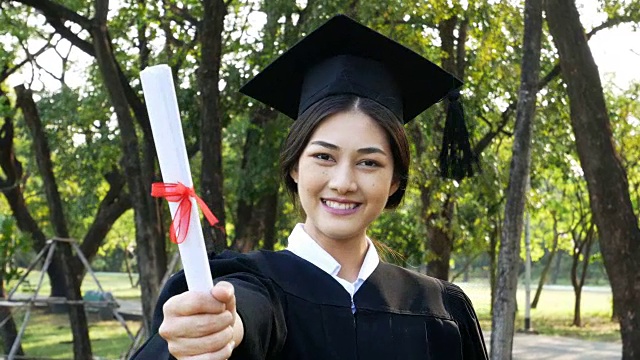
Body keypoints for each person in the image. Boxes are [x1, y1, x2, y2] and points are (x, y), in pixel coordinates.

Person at [132, 14, 487, 360]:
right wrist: (221, 328)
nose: (344, 183)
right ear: (294, 167)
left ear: (395, 180)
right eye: (324, 157)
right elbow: (248, 310)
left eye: (369, 162)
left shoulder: (441, 312)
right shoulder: (252, 284)